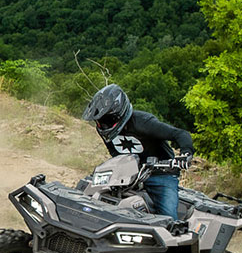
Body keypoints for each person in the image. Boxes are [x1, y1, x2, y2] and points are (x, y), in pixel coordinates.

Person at [82, 83, 194, 220]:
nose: (103, 124)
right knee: (92, 195)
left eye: (107, 120)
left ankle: (171, 233)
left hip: (161, 173)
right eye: (99, 121)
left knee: (168, 216)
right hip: (128, 174)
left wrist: (185, 154)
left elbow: (180, 134)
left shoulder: (143, 122)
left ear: (119, 114)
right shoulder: (105, 131)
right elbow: (115, 153)